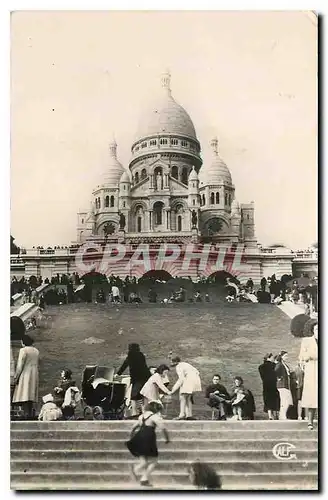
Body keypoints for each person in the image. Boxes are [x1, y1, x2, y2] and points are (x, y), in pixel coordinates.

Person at [127, 401, 170, 487]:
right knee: (154, 461)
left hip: (139, 437)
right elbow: (163, 428)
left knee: (143, 461)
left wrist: (131, 437)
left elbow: (133, 427)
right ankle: (137, 471)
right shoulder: (155, 417)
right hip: (148, 438)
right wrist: (167, 438)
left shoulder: (141, 417)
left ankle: (144, 479)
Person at [116, 343, 151, 417]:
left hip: (137, 379)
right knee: (144, 395)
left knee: (133, 396)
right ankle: (145, 412)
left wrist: (118, 374)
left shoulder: (130, 356)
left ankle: (134, 413)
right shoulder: (141, 355)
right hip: (146, 378)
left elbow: (124, 365)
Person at [12, 335, 39, 419]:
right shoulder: (36, 351)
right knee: (30, 394)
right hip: (34, 373)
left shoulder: (23, 350)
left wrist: (16, 377)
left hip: (26, 373)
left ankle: (25, 414)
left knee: (24, 393)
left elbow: (20, 365)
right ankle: (30, 413)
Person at [299, 321, 318, 430]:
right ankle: (310, 421)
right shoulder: (306, 341)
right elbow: (302, 356)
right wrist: (311, 355)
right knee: (312, 396)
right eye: (316, 329)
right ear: (313, 331)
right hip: (312, 370)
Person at [258, 354, 280, 420]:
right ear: (269, 358)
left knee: (267, 400)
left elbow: (262, 376)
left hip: (266, 385)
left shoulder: (261, 367)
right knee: (274, 399)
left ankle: (270, 416)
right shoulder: (274, 365)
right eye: (272, 357)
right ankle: (276, 415)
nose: (273, 359)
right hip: (273, 385)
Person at [275, 351, 293, 420]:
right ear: (282, 357)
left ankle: (282, 415)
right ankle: (283, 416)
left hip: (286, 385)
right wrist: (279, 377)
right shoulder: (279, 364)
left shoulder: (284, 364)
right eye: (285, 356)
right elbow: (275, 371)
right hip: (282, 385)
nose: (287, 357)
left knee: (286, 401)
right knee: (285, 401)